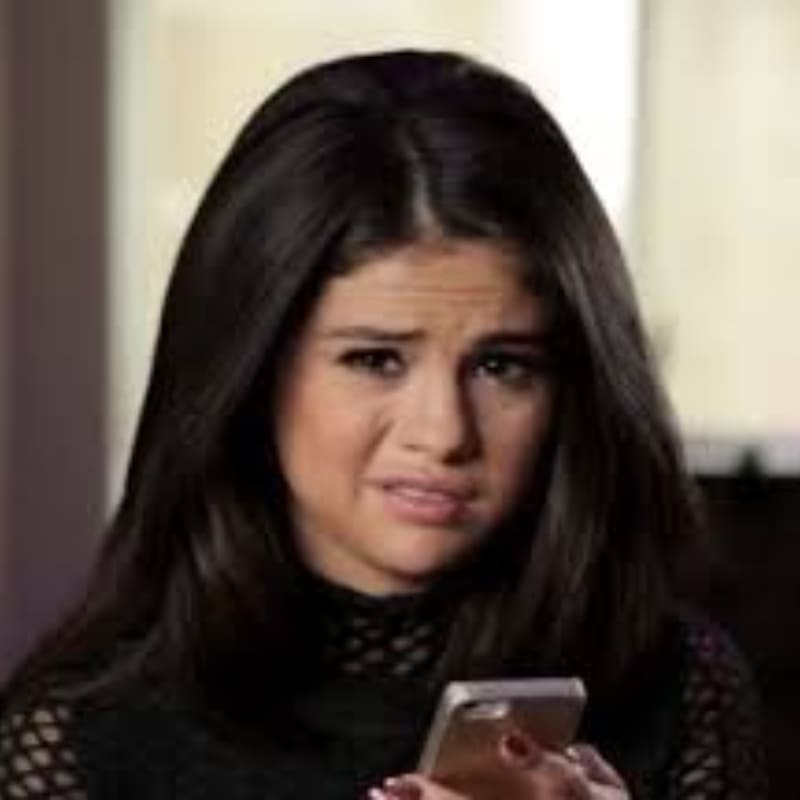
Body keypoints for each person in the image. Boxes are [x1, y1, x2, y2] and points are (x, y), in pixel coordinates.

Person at [0, 50, 765, 799]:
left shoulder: (681, 690)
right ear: (249, 367)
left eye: (502, 365)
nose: (443, 434)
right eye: (375, 360)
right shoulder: (77, 734)